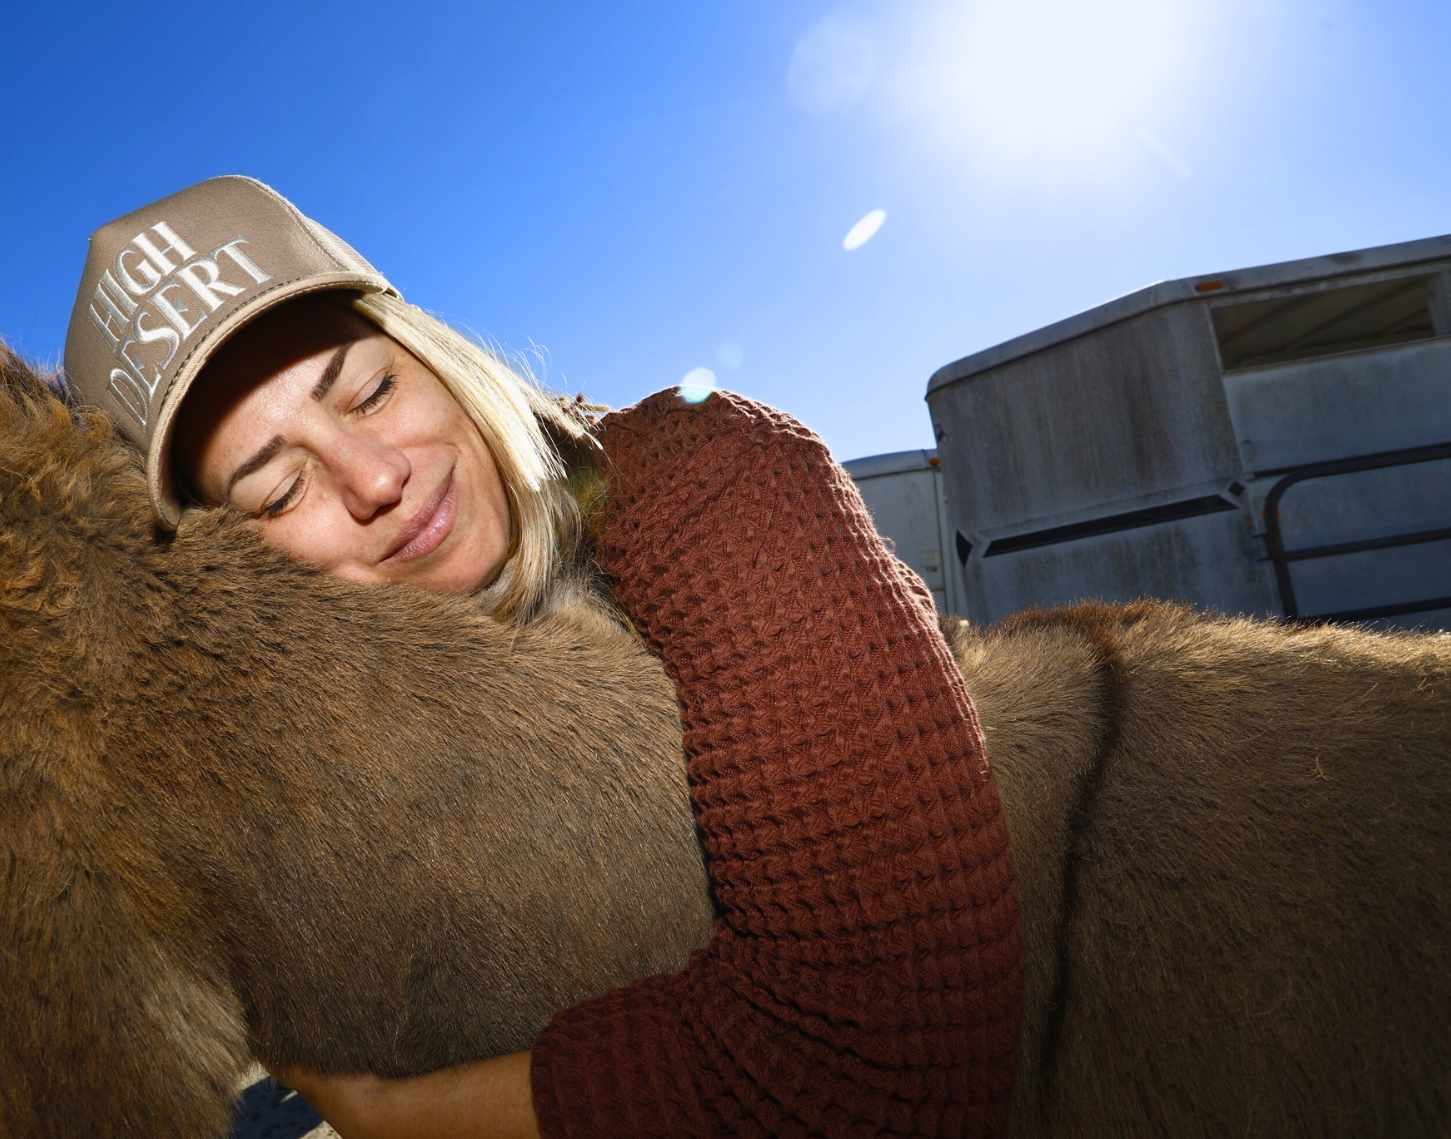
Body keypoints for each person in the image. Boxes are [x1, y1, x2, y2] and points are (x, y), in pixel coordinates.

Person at [62, 177, 1024, 1139]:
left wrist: (398, 1114)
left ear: (432, 352)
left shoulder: (708, 478)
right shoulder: (304, 773)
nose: (378, 478)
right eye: (278, 493)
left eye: (372, 391)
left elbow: (886, 1067)